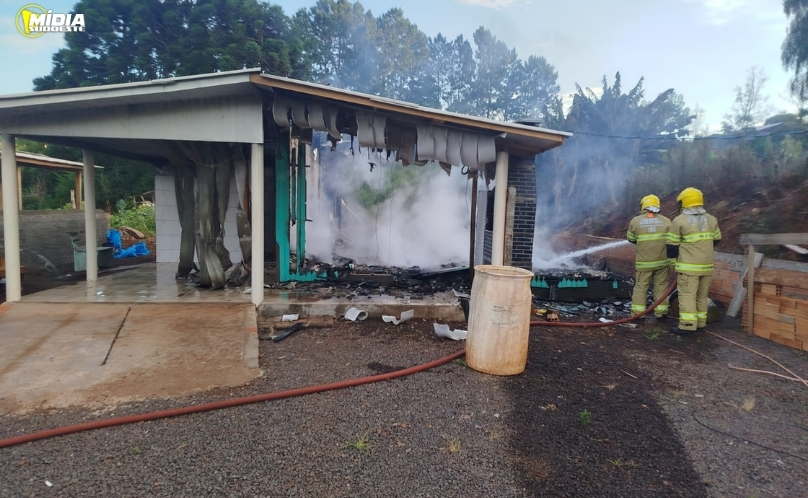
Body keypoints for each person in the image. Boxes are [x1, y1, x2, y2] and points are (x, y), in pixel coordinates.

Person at [666, 187, 721, 335]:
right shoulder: (711, 219)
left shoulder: (679, 221)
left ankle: (688, 325)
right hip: (707, 266)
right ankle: (701, 323)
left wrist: (673, 262)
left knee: (687, 295)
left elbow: (671, 246)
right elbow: (717, 240)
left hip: (688, 268)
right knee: (702, 296)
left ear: (684, 202)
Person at [627, 194, 671, 322]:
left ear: (643, 206)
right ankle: (661, 314)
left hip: (644, 263)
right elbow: (673, 240)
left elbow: (631, 239)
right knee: (661, 286)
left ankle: (638, 314)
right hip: (662, 262)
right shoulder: (667, 221)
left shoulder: (635, 221)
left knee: (641, 287)